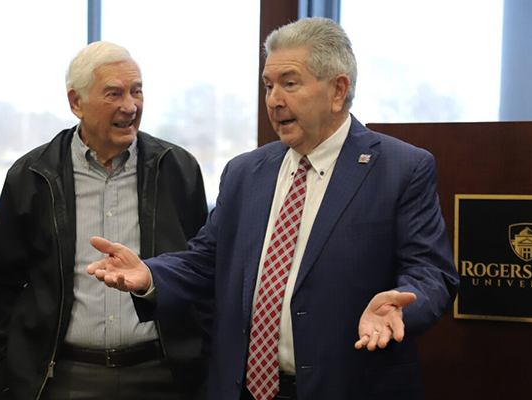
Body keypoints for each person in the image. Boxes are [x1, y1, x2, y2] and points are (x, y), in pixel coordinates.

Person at [87, 18, 460, 400]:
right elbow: (205, 262)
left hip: (349, 385)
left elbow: (432, 274)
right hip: (242, 390)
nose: (273, 99)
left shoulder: (400, 168)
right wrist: (149, 274)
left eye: (290, 83)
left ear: (337, 90)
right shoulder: (246, 172)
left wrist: (401, 308)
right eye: (268, 85)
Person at [0, 41, 210, 400]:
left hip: (162, 376)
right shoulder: (32, 176)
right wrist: (10, 372)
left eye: (137, 91)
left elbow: (204, 270)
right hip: (65, 377)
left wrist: (202, 358)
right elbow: (1, 283)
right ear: (76, 102)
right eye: (113, 94)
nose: (130, 106)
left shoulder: (177, 169)